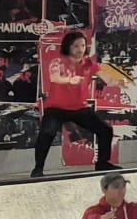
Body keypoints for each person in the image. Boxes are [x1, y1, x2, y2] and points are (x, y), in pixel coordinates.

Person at [30, 30, 114, 177]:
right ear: (68, 47)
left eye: (82, 45)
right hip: (56, 109)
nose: (80, 49)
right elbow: (55, 77)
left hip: (79, 109)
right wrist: (70, 80)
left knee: (105, 130)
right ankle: (38, 168)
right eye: (76, 46)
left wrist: (119, 82)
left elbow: (108, 78)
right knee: (47, 132)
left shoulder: (89, 64)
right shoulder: (58, 62)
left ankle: (102, 164)